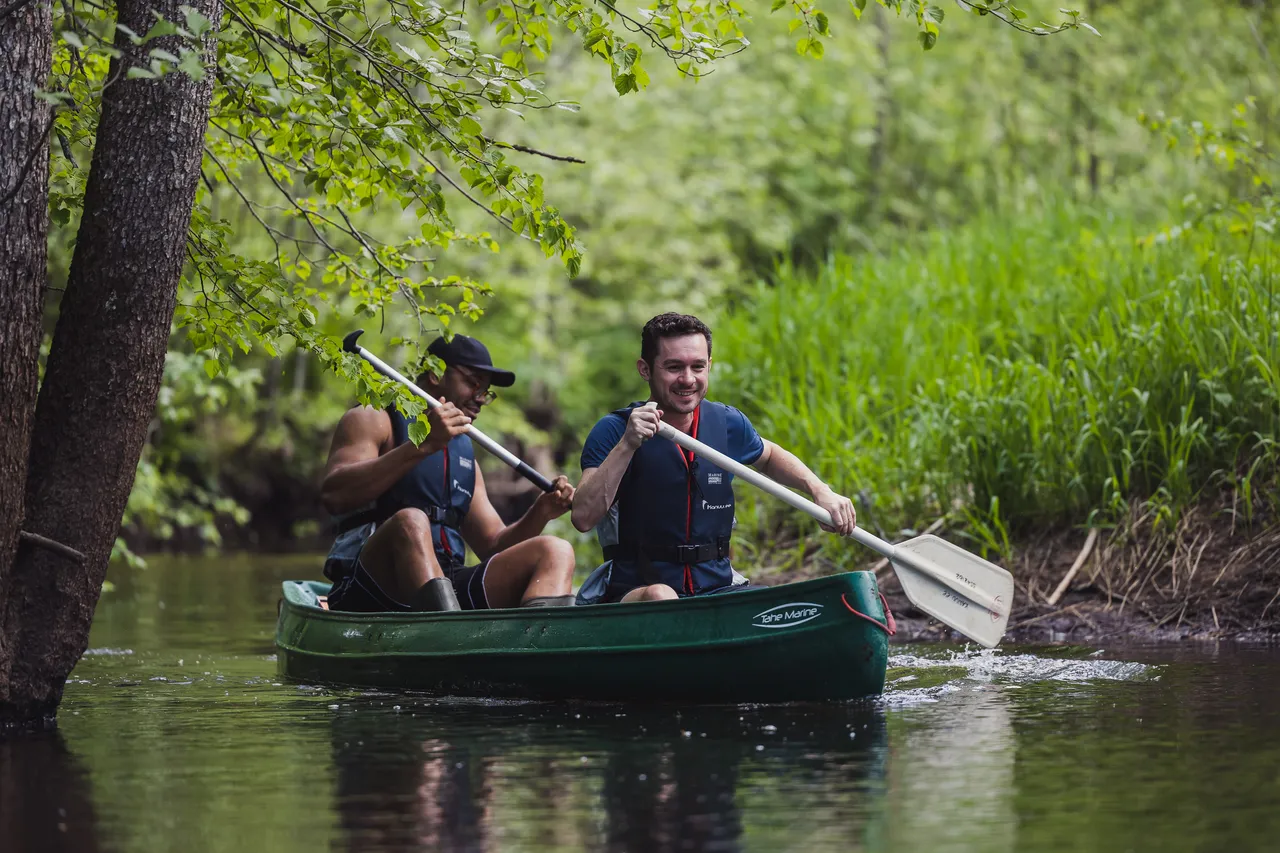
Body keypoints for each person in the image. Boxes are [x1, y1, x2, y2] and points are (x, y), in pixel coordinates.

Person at [571, 312, 856, 604]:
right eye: (673, 367)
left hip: (717, 588)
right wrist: (627, 445)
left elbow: (769, 456)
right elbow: (583, 517)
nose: (687, 379)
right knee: (661, 596)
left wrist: (821, 491)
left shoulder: (727, 423)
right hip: (637, 591)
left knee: (808, 601)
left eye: (697, 367)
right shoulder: (615, 431)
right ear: (645, 369)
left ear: (709, 366)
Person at [320, 334, 577, 612]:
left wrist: (541, 512)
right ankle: (451, 636)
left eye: (486, 392)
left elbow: (493, 547)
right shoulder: (373, 418)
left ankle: (535, 645)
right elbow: (335, 494)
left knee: (556, 550)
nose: (479, 399)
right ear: (435, 373)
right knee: (411, 521)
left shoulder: (464, 455)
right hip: (370, 583)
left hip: (446, 585)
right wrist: (424, 445)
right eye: (472, 383)